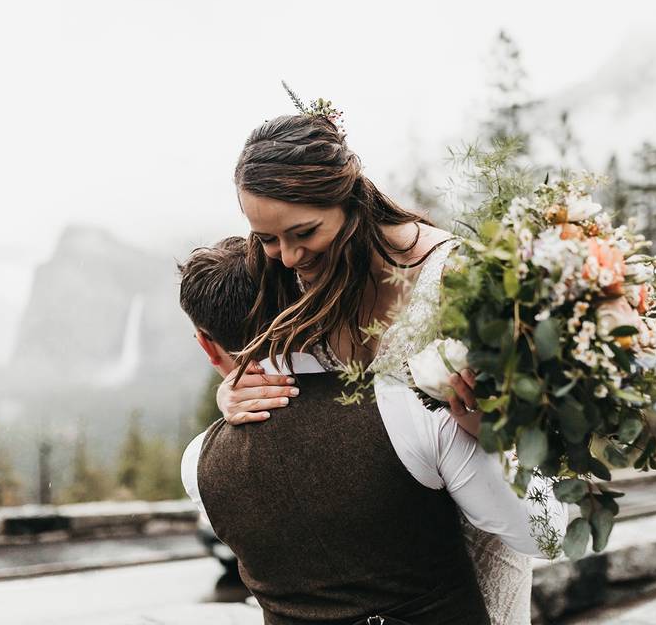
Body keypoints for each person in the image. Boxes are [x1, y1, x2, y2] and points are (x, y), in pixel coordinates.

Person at [216, 111, 548, 623]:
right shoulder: (290, 279)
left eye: (304, 232)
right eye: (265, 238)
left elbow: (541, 446)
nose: (286, 256)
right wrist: (234, 394)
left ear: (348, 200)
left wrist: (495, 428)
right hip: (358, 576)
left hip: (473, 561)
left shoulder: (458, 277)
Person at [180, 236, 566, 624]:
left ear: (207, 346)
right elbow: (546, 535)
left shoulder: (198, 463)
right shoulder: (413, 406)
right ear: (309, 301)